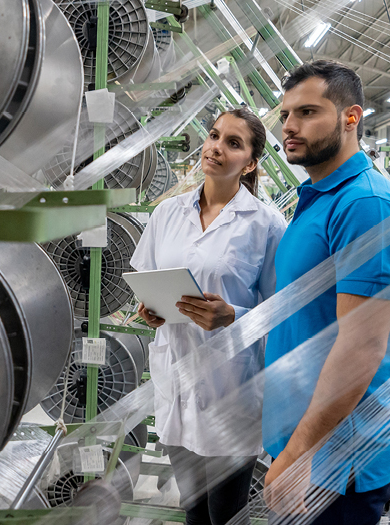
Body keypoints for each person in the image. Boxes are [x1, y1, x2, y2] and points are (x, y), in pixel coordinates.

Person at [130, 107, 287, 525]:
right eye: (215, 136)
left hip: (230, 388)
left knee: (226, 514)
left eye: (233, 143)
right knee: (192, 509)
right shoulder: (167, 214)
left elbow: (281, 310)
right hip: (176, 378)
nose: (216, 147)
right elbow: (146, 278)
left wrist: (233, 314)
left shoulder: (266, 224)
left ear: (250, 162)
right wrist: (150, 310)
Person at [263, 59, 390, 525]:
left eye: (307, 112)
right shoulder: (320, 197)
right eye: (286, 115)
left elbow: (361, 348)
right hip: (307, 446)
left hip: (335, 463)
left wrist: (300, 454)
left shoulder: (366, 204)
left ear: (351, 117)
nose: (289, 126)